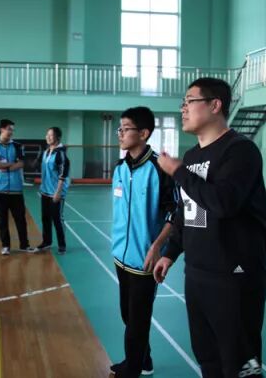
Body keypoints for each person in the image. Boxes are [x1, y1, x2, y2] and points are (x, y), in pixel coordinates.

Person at [154, 78, 266, 378]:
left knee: (240, 366)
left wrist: (178, 172)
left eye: (189, 101)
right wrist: (170, 252)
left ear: (215, 105)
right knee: (208, 359)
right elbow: (187, 212)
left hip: (234, 276)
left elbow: (223, 203)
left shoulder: (240, 151)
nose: (183, 108)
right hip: (198, 274)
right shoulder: (192, 157)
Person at [109, 107, 177, 377]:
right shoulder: (120, 168)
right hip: (120, 256)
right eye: (120, 128)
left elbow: (175, 213)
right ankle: (144, 360)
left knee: (137, 320)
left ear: (144, 133)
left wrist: (157, 246)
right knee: (127, 314)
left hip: (145, 260)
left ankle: (133, 368)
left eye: (125, 129)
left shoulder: (160, 169)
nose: (120, 133)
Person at [0, 119, 36, 255]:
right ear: (1, 129)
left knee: (20, 219)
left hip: (16, 189)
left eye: (12, 130)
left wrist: (6, 167)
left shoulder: (18, 146)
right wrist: (12, 164)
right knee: (3, 220)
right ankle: (6, 246)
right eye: (9, 129)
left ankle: (24, 245)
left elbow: (21, 163)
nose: (11, 132)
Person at [37, 127, 70, 254]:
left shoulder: (60, 153)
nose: (48, 137)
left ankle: (62, 244)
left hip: (56, 192)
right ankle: (47, 242)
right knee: (45, 218)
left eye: (51, 135)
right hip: (45, 191)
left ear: (58, 138)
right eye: (47, 134)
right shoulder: (46, 152)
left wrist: (58, 192)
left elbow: (63, 175)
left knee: (57, 219)